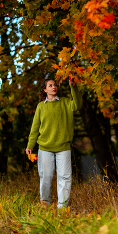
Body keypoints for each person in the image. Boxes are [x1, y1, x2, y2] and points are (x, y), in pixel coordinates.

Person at [25, 78, 83, 208]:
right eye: (50, 85)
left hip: (63, 147)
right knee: (45, 178)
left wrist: (73, 87)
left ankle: (62, 207)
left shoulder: (66, 102)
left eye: (55, 85)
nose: (54, 87)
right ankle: (45, 204)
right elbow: (34, 129)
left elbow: (78, 105)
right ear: (45, 90)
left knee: (65, 178)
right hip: (45, 148)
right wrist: (30, 145)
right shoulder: (41, 106)